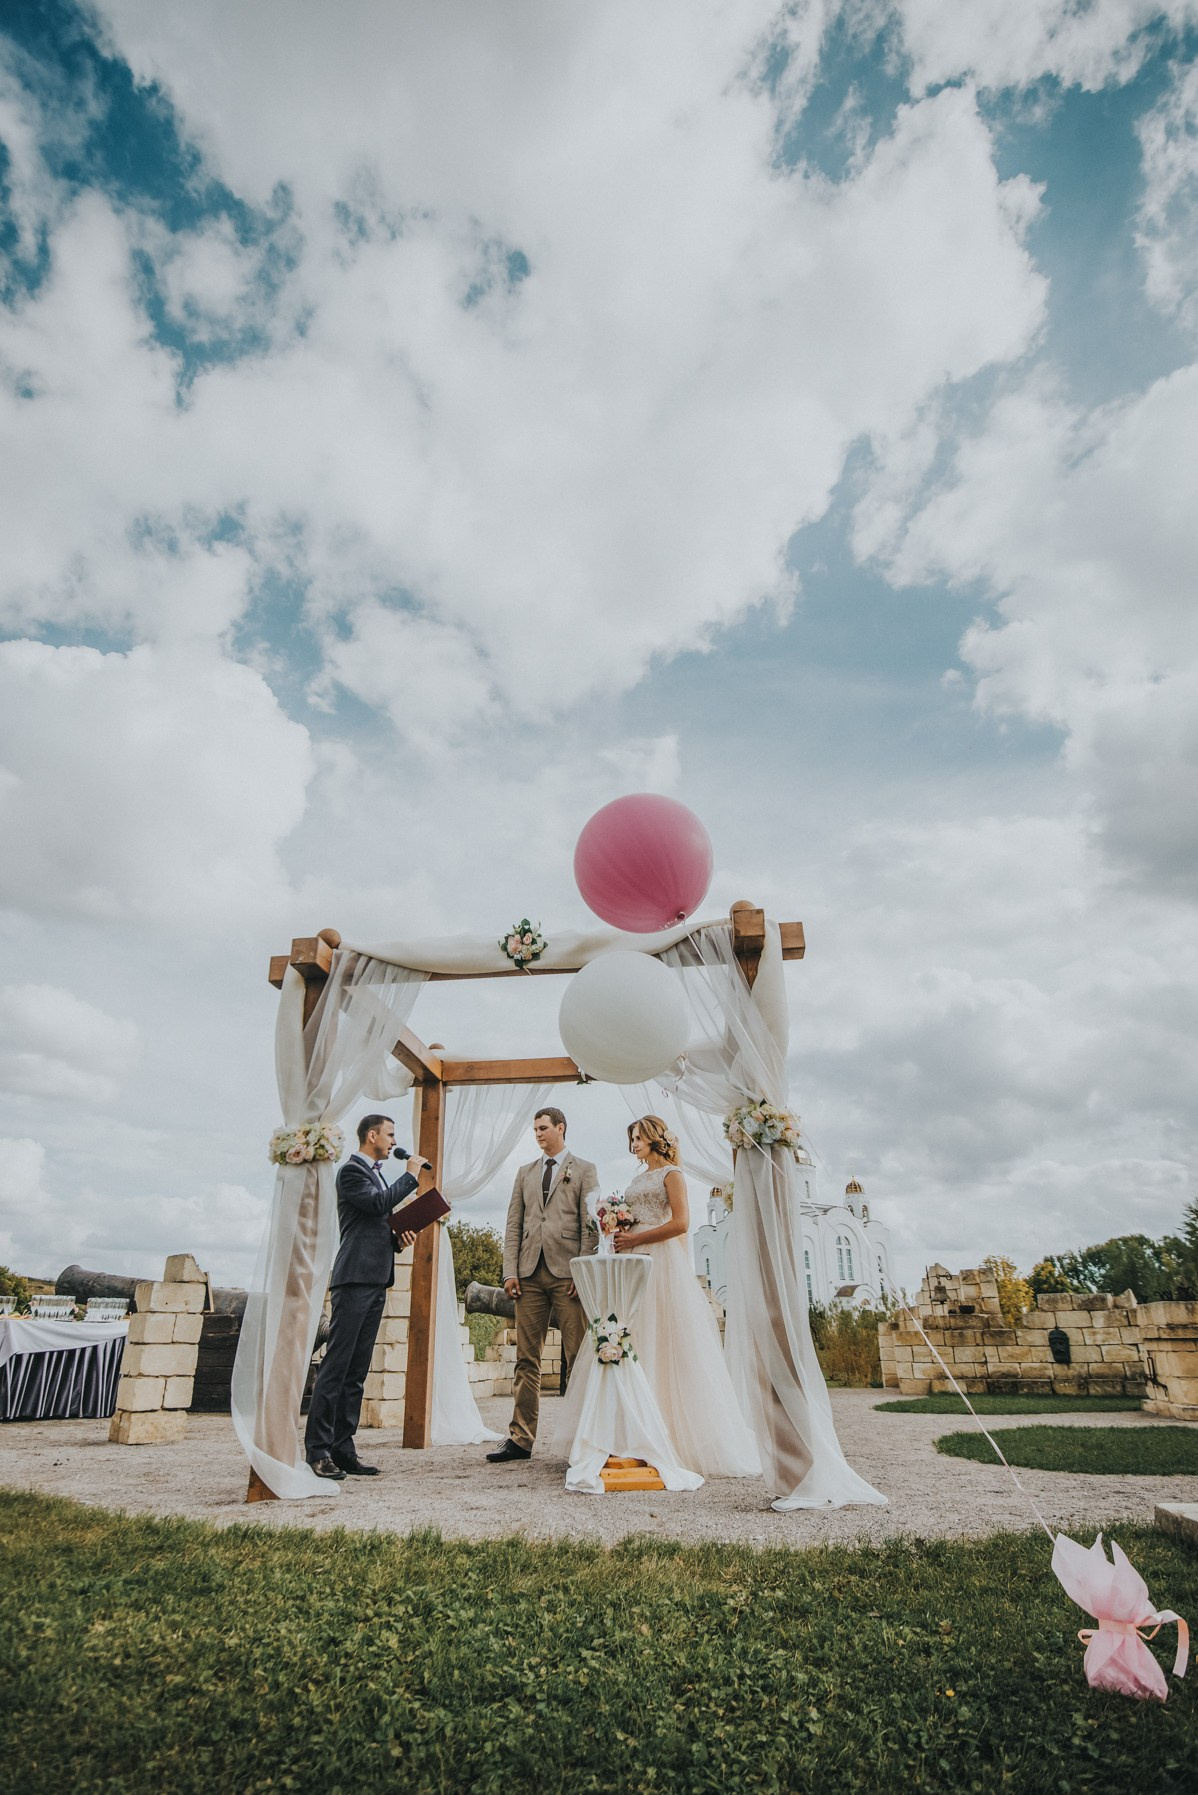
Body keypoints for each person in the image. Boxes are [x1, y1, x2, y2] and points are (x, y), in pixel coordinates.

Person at [603, 1115, 760, 1477]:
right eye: (631, 1139)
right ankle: (634, 1429)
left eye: (639, 1137)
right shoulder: (636, 1178)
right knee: (635, 1338)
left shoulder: (672, 1175)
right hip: (632, 1259)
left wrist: (637, 1238)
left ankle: (670, 1434)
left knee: (663, 1336)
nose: (634, 1144)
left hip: (660, 1260)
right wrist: (619, 1227)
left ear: (656, 1138)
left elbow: (682, 1223)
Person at [304, 1113, 425, 1480]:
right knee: (336, 1365)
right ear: (371, 1135)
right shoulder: (351, 1171)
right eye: (390, 1134)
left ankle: (344, 1449)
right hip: (353, 1279)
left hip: (375, 1279)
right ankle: (318, 1451)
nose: (393, 1140)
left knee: (357, 1370)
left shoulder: (376, 1174)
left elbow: (375, 1223)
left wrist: (398, 1239)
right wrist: (412, 1176)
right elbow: (375, 1205)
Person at [486, 1106, 599, 1462]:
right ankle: (520, 1439)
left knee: (577, 1358)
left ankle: (583, 1438)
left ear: (560, 1128)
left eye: (543, 1128)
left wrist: (583, 1271)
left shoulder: (584, 1170)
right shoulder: (524, 1174)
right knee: (526, 1359)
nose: (537, 1134)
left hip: (569, 1276)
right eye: (535, 1129)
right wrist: (509, 1271)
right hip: (529, 1275)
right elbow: (513, 1225)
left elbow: (590, 1224)